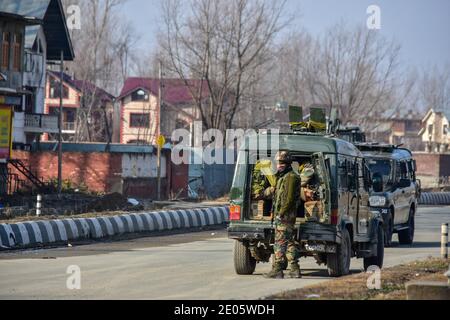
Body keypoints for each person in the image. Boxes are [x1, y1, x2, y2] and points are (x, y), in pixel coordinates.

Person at [264, 151, 302, 279]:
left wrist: (281, 213)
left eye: (281, 163)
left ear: (287, 164)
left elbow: (289, 198)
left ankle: (277, 269)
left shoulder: (290, 177)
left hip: (285, 215)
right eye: (278, 163)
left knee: (279, 242)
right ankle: (294, 269)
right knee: (289, 242)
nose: (279, 165)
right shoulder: (283, 177)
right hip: (285, 214)